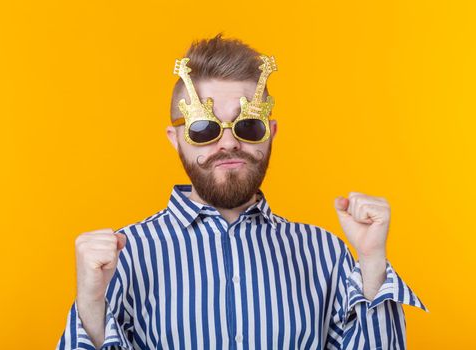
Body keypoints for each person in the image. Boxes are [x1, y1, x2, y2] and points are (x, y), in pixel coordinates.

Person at [56, 33, 427, 350]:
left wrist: (373, 263)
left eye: (249, 125)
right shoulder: (124, 256)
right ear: (176, 139)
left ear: (272, 132)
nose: (229, 143)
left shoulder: (325, 254)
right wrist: (90, 302)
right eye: (204, 128)